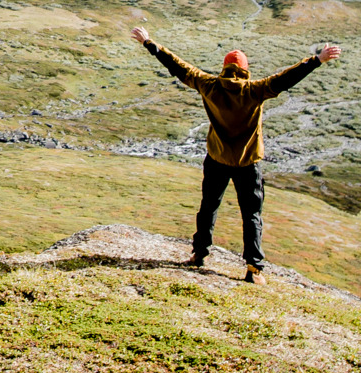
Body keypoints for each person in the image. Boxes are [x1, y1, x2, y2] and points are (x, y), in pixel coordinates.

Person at [130, 26, 342, 284]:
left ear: (225, 67)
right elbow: (287, 79)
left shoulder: (208, 85)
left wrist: (150, 43)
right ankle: (254, 268)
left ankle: (199, 255)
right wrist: (317, 60)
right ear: (244, 69)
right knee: (251, 214)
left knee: (208, 207)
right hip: (247, 163)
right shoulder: (256, 90)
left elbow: (178, 67)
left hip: (217, 159)